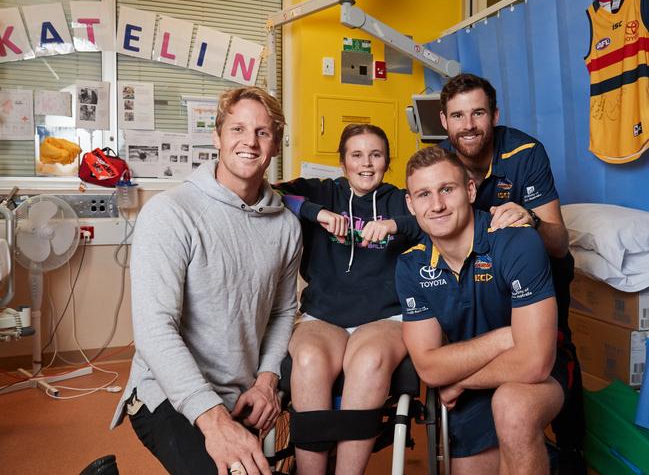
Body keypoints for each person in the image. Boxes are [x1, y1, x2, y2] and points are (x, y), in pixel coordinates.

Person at [110, 87, 302, 475]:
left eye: (263, 132)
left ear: (276, 145)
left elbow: (283, 312)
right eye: (238, 129)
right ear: (217, 137)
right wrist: (214, 421)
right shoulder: (170, 213)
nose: (250, 141)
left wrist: (267, 382)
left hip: (242, 392)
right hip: (166, 393)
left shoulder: (286, 226)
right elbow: (154, 330)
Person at [437, 73, 585, 469]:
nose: (468, 125)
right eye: (458, 115)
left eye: (478, 113)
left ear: (495, 115)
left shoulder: (526, 151)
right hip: (479, 277)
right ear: (444, 122)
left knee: (553, 350)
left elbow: (559, 242)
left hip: (540, 274)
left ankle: (572, 449)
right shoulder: (441, 164)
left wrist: (532, 221)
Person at [396, 146, 569, 474]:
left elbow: (535, 362)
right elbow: (429, 368)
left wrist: (460, 381)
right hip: (471, 388)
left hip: (535, 378)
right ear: (410, 204)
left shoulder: (517, 241)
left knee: (512, 408)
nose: (436, 205)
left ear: (471, 190)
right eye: (423, 194)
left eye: (447, 189)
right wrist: (505, 338)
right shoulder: (410, 265)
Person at [274, 124, 421, 475]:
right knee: (308, 360)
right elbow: (271, 194)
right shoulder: (323, 192)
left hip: (384, 317)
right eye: (357, 155)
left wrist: (395, 225)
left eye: (376, 155)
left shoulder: (400, 199)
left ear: (387, 161)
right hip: (324, 315)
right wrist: (317, 213)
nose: (366, 164)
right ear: (343, 163)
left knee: (369, 360)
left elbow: (436, 218)